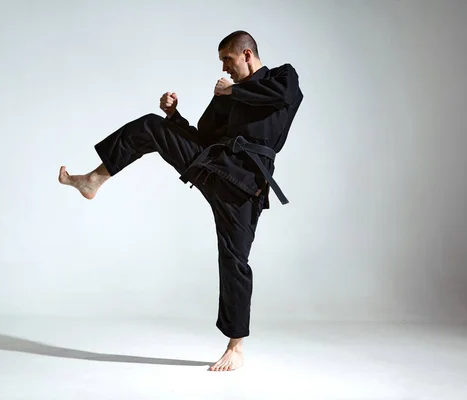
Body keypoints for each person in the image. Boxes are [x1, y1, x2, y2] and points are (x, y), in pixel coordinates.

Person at [59, 30, 304, 371]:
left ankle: (236, 346)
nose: (225, 68)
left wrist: (233, 91)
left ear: (247, 54)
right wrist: (174, 117)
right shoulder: (227, 94)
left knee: (235, 260)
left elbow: (284, 94)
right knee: (152, 125)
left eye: (227, 60)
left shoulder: (282, 76)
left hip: (245, 184)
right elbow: (202, 137)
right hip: (213, 167)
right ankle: (93, 179)